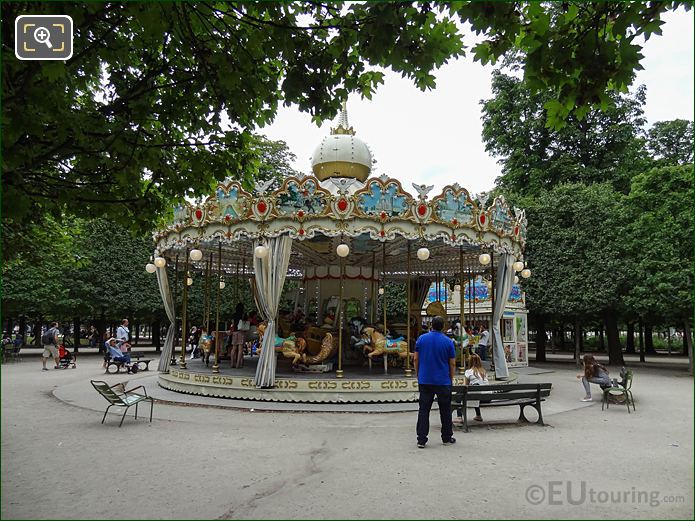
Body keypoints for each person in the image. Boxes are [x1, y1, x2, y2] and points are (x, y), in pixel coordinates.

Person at [414, 315, 456, 448]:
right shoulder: (448, 342)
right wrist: (451, 378)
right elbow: (452, 363)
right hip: (443, 380)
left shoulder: (421, 339)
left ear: (431, 325)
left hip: (425, 379)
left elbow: (415, 359)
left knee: (424, 410)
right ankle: (446, 437)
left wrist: (418, 374)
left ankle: (421, 439)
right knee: (445, 410)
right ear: (443, 327)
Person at [454, 354, 489, 424]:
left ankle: (459, 416)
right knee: (476, 393)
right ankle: (478, 415)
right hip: (486, 398)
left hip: (476, 397)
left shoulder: (468, 372)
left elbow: (465, 386)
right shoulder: (484, 372)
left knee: (460, 394)